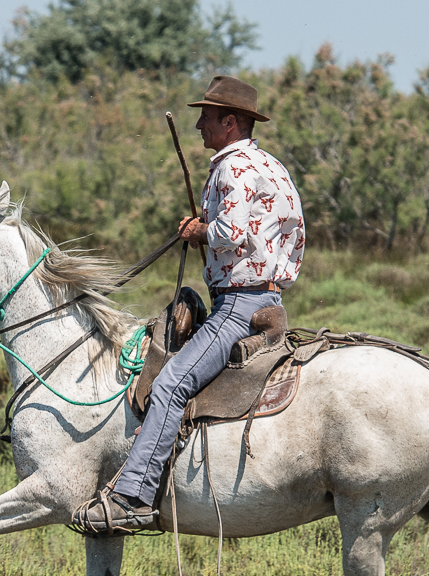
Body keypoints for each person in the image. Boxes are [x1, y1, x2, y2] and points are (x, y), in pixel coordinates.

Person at [73, 75, 305, 531]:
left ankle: (134, 497)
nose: (199, 125)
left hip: (238, 304)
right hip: (266, 294)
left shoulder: (232, 168)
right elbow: (282, 232)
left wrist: (201, 231)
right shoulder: (270, 166)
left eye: (207, 117)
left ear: (231, 122)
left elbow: (232, 234)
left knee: (171, 384)